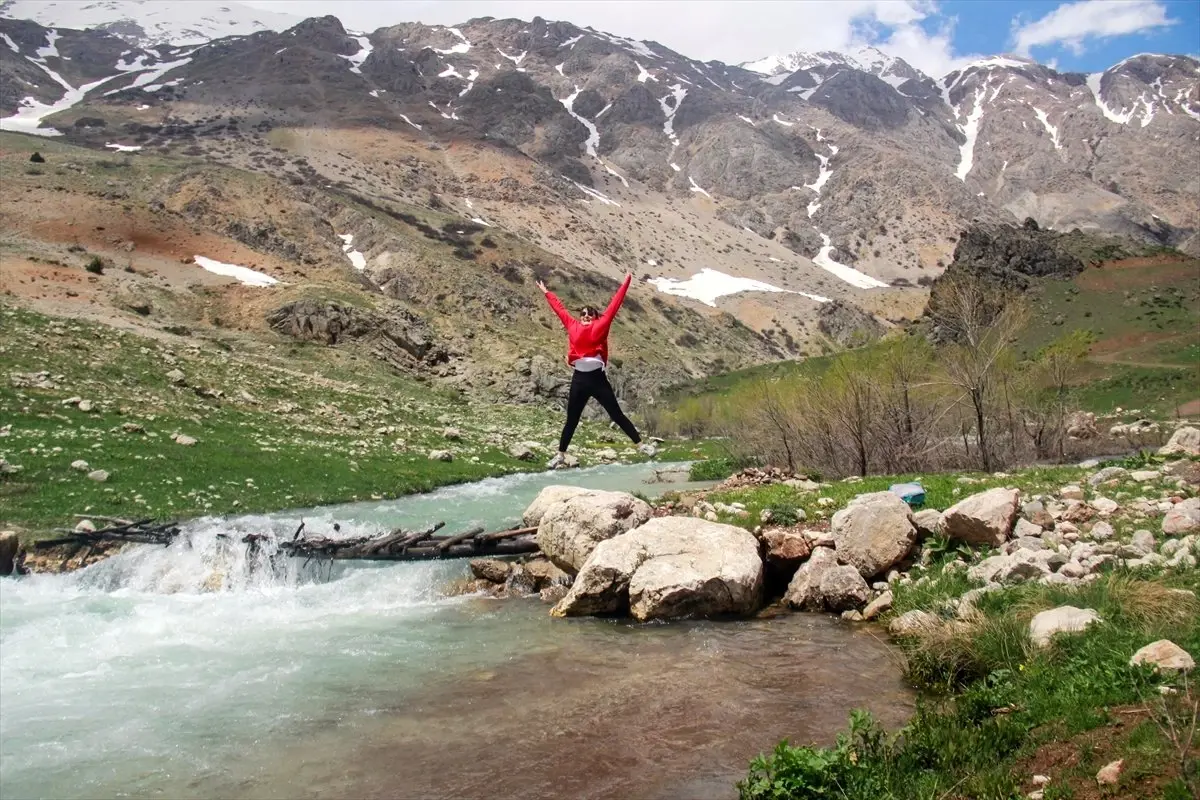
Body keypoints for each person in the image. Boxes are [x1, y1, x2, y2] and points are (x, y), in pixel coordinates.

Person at [536, 271, 657, 469]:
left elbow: (615, 304)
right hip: (579, 380)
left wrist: (627, 281)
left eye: (589, 314)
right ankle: (560, 455)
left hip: (598, 379)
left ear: (594, 317)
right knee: (572, 419)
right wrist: (546, 292)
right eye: (582, 314)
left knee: (616, 414)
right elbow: (559, 310)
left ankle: (642, 446)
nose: (585, 316)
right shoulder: (572, 325)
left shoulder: (601, 325)